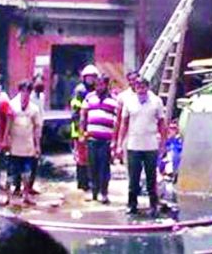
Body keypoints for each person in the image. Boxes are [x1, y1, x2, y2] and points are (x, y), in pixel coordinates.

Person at [117, 78, 167, 217]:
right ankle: (132, 205)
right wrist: (120, 144)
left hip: (150, 145)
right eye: (138, 86)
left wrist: (163, 142)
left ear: (148, 87)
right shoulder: (129, 101)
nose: (140, 89)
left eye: (143, 86)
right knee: (134, 178)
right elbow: (124, 124)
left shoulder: (156, 101)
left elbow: (162, 123)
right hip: (133, 145)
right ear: (134, 87)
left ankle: (153, 205)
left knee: (151, 177)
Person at [81, 75, 119, 204]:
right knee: (92, 167)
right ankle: (94, 193)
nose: (98, 87)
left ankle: (104, 193)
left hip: (106, 140)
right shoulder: (89, 97)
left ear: (106, 85)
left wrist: (115, 140)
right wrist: (82, 132)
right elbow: (83, 115)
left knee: (104, 167)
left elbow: (118, 121)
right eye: (96, 85)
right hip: (92, 138)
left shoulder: (114, 100)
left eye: (101, 85)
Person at [5, 81, 43, 205]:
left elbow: (37, 128)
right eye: (23, 91)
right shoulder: (12, 105)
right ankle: (8, 197)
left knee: (27, 173)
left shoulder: (34, 109)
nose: (25, 94)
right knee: (11, 172)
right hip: (14, 145)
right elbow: (7, 124)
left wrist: (37, 145)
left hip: (28, 145)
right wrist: (6, 139)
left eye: (28, 91)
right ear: (20, 91)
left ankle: (26, 195)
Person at [69, 84, 90, 191]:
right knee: (81, 159)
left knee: (88, 158)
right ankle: (82, 183)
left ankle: (87, 182)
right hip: (78, 132)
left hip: (89, 131)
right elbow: (75, 115)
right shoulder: (78, 96)